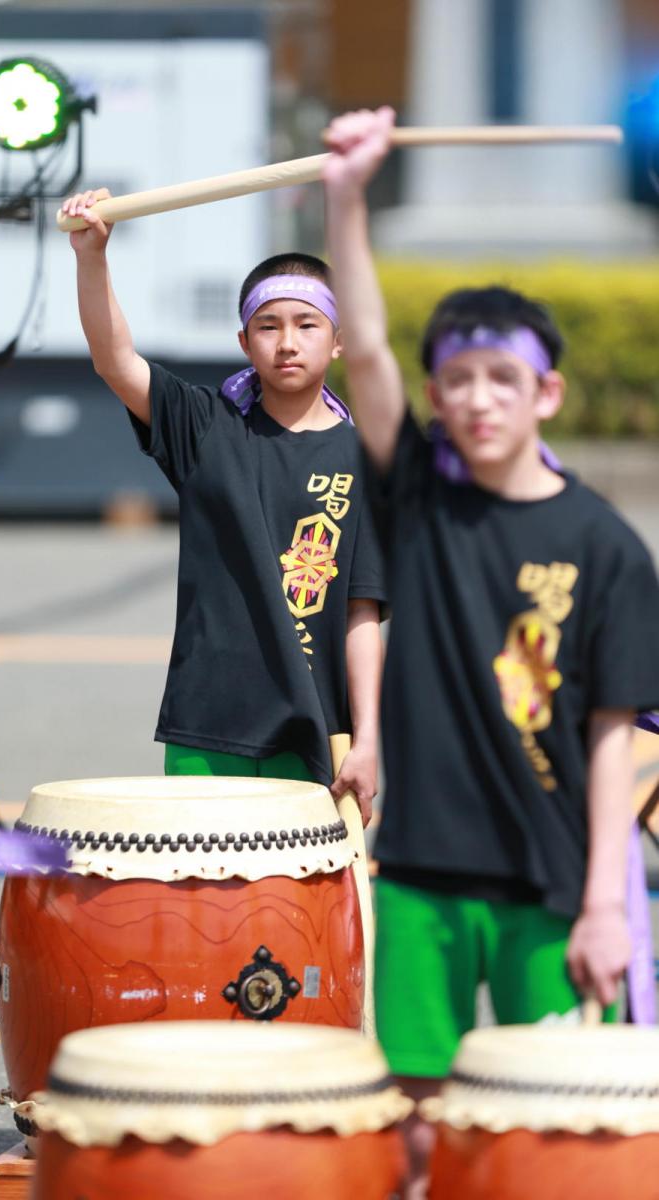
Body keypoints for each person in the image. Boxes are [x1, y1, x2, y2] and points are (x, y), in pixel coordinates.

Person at [323, 108, 659, 1196]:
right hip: (421, 870)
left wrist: (604, 902)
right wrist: (347, 192)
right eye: (457, 379)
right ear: (434, 396)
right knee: (417, 1129)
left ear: (544, 393)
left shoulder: (606, 548)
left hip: (547, 883)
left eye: (501, 379)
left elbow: (612, 741)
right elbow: (364, 344)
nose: (476, 399)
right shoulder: (418, 498)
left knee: (545, 1129)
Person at [62, 188, 385, 820]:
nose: (287, 342)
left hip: (315, 733)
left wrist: (368, 738)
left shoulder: (364, 458)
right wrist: (91, 256)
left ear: (337, 340)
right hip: (206, 725)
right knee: (200, 884)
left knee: (300, 889)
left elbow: (362, 613)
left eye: (306, 324)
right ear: (244, 340)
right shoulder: (205, 426)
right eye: (268, 326)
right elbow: (115, 361)